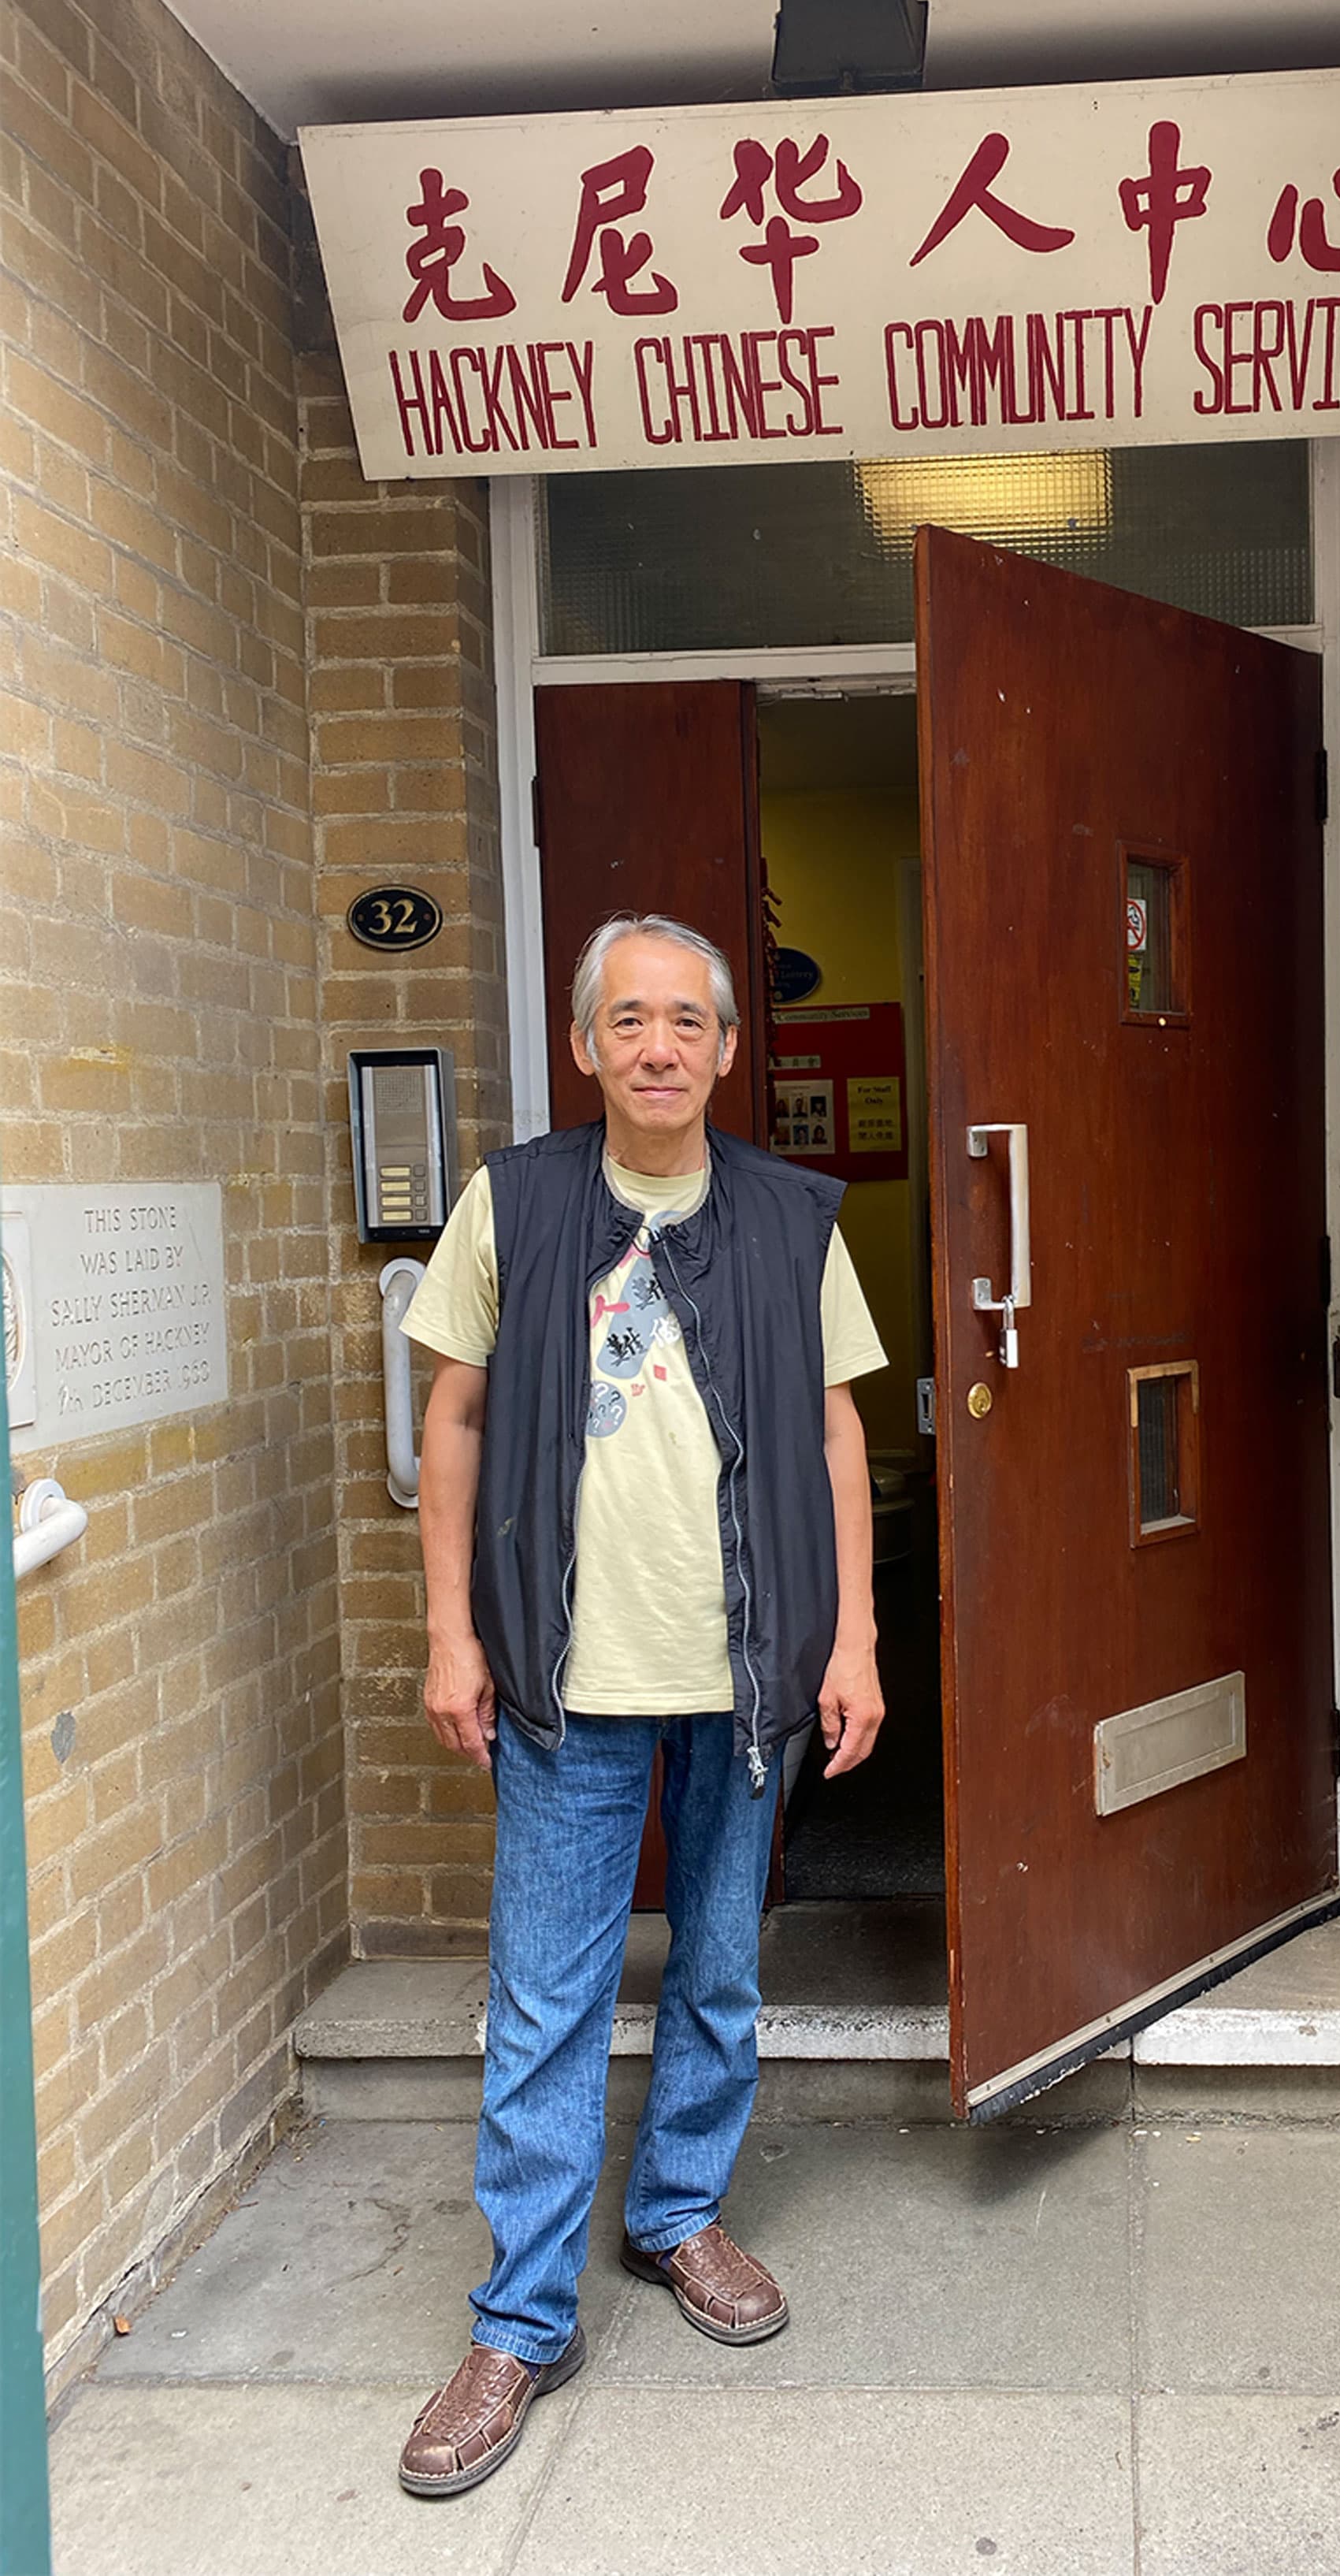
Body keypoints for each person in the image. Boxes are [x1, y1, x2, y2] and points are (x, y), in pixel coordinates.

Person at [395, 912, 886, 2498]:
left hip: (744, 1674)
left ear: (729, 1048)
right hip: (563, 1673)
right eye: (631, 1017)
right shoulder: (514, 1202)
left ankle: (676, 2211)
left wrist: (855, 1635)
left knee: (721, 1967)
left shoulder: (795, 1216)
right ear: (586, 1043)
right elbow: (452, 1417)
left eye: (688, 1018)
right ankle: (520, 2320)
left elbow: (832, 1437)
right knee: (544, 1995)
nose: (661, 1042)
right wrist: (449, 1633)